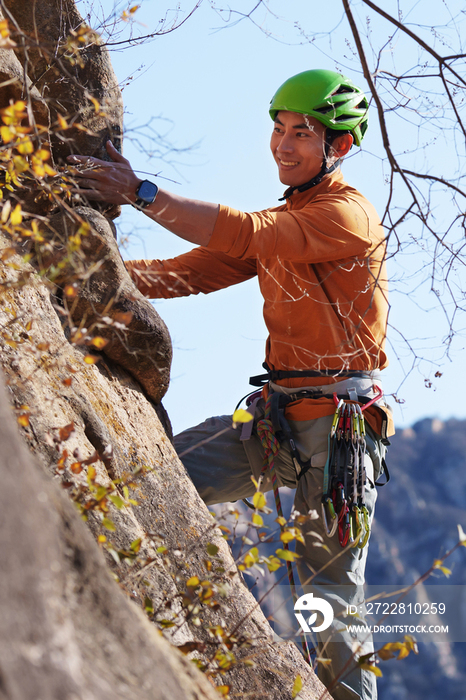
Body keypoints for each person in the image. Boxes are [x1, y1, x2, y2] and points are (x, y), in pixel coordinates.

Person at [68, 68, 394, 700]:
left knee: (328, 597)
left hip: (337, 435)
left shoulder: (344, 216)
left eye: (303, 132)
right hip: (276, 421)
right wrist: (86, 268)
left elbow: (244, 232)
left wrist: (140, 190)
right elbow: (188, 272)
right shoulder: (290, 218)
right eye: (278, 128)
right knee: (157, 479)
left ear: (341, 147)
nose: (284, 144)